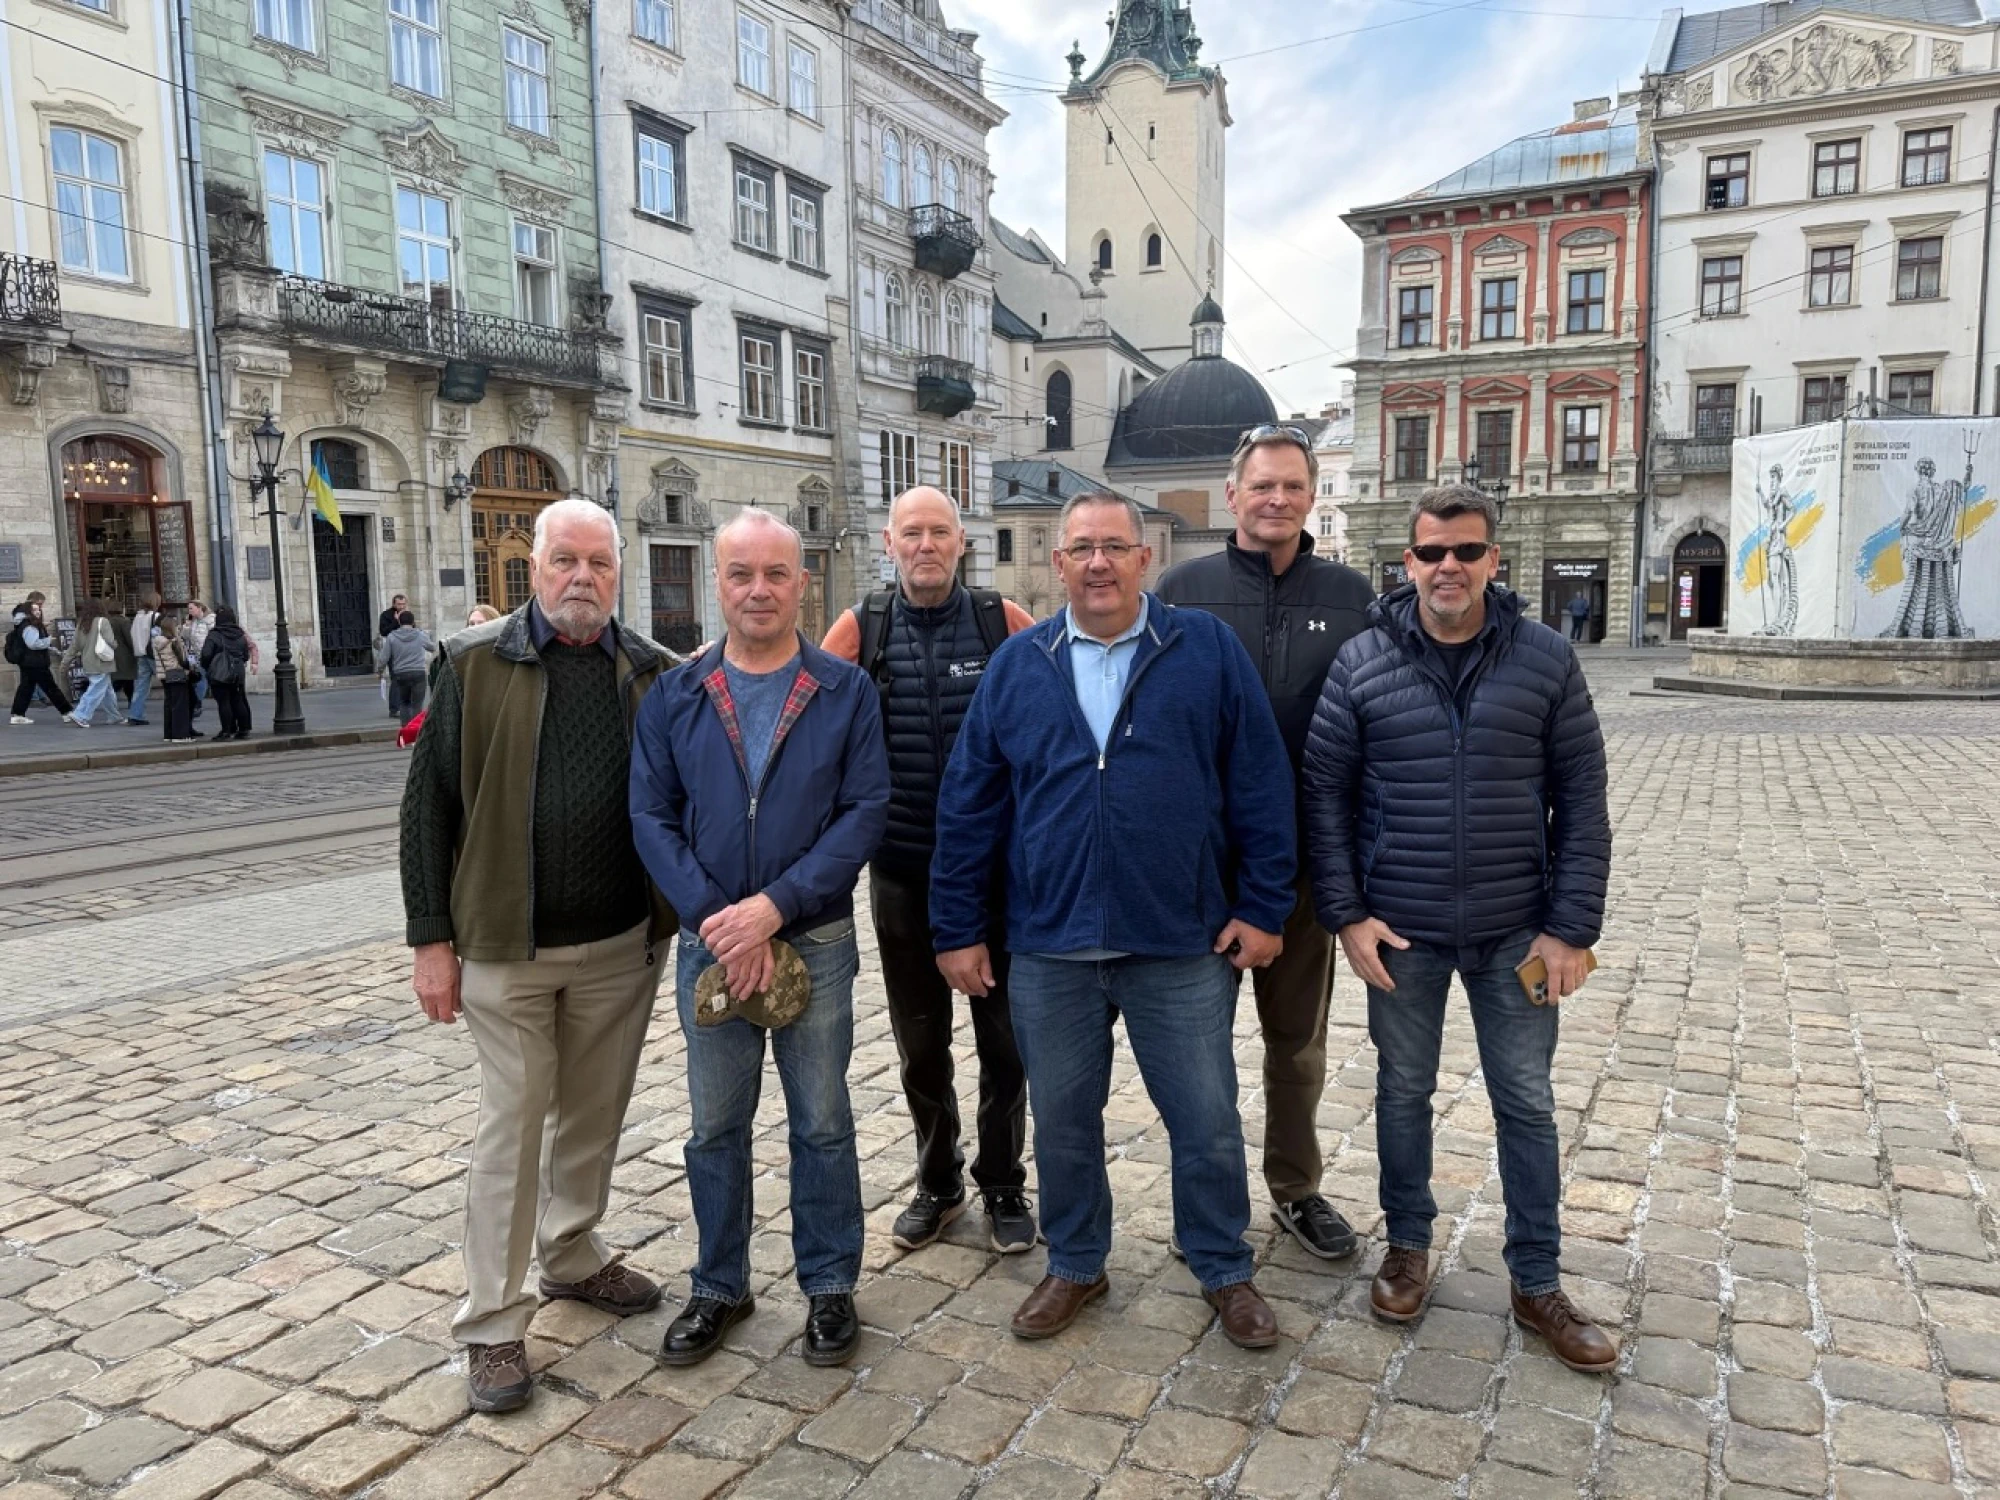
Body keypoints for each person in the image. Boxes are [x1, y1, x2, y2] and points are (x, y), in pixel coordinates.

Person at [931, 492, 1298, 1350]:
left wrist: (1263, 905)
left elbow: (1260, 780)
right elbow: (969, 803)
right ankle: (1076, 1262)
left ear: (1144, 559)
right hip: (1050, 939)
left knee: (1205, 1118)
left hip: (1179, 937)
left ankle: (1223, 1265)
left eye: (1114, 547)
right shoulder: (1019, 664)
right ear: (1058, 564)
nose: (1098, 563)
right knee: (1064, 1120)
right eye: (1081, 549)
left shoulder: (1203, 648)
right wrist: (957, 926)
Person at [1302, 484, 1616, 1372]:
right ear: (1408, 563)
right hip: (1402, 930)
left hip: (1517, 929)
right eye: (1433, 552)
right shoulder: (1362, 661)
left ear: (1493, 561)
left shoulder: (1546, 658)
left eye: (1467, 551)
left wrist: (1571, 928)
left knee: (1527, 1102)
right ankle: (1407, 1246)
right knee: (1404, 1092)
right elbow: (1323, 795)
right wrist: (1347, 915)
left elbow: (1582, 800)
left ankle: (1537, 1280)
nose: (1450, 567)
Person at [402, 498, 680, 1413]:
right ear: (534, 569)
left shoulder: (650, 672)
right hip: (504, 946)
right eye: (566, 560)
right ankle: (491, 1323)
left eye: (600, 563)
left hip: (620, 944)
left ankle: (571, 1252)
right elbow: (426, 810)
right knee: (513, 1126)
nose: (582, 578)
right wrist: (431, 941)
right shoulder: (473, 663)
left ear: (619, 574)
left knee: (595, 1114)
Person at [632, 511, 889, 1370]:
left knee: (822, 1121)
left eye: (776, 574)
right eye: (741, 574)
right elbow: (652, 817)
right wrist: (720, 919)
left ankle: (829, 1284)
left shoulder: (844, 690)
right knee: (715, 1127)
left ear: (802, 583)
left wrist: (774, 909)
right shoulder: (678, 693)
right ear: (718, 582)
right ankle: (719, 1285)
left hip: (813, 938)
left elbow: (864, 812)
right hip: (710, 946)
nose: (758, 590)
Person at [1156, 425, 1375, 1264]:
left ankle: (1296, 1186)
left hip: (1309, 864)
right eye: (1262, 486)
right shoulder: (1182, 590)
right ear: (1233, 495)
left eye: (1291, 486)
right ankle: (1207, 1206)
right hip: (1200, 868)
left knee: (1297, 1045)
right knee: (1195, 1055)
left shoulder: (1351, 596)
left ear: (1312, 495)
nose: (1276, 499)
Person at [820, 486, 1038, 1255]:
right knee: (921, 1043)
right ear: (890, 543)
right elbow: (809, 715)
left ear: (961, 541)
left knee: (1006, 1043)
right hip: (903, 873)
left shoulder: (1002, 621)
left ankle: (1003, 1180)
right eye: (910, 533)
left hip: (996, 878)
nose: (925, 546)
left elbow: (1054, 716)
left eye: (938, 532)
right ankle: (938, 1180)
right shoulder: (862, 626)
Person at [8, 600, 75, 724]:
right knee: (51, 688)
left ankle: (17, 714)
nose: (38, 612)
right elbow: (33, 644)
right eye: (34, 610)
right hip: (36, 663)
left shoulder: (25, 624)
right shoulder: (29, 626)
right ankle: (67, 712)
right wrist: (48, 640)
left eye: (38, 609)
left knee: (26, 688)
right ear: (28, 612)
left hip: (28, 662)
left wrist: (54, 649)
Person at [60, 600, 124, 727]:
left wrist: (65, 663)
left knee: (107, 691)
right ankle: (80, 715)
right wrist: (116, 645)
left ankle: (114, 716)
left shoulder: (81, 624)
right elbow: (110, 641)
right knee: (95, 690)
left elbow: (74, 646)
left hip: (88, 662)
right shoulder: (103, 621)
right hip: (102, 662)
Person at [200, 606, 257, 741]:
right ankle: (243, 730)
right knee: (238, 699)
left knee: (223, 701)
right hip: (238, 671)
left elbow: (206, 654)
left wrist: (208, 666)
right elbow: (245, 655)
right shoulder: (240, 634)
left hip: (220, 672)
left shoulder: (214, 634)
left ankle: (227, 730)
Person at [378, 610, 434, 727]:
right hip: (418, 672)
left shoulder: (392, 637)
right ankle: (416, 730)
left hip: (400, 673)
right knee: (417, 704)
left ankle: (405, 729)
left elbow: (384, 657)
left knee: (404, 703)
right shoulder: (420, 635)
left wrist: (380, 671)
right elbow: (432, 647)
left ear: (399, 621)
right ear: (413, 622)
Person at [151, 612, 199, 743]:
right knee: (180, 705)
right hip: (177, 674)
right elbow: (182, 660)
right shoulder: (173, 642)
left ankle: (169, 733)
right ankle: (180, 735)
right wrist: (191, 667)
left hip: (164, 674)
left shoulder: (157, 641)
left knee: (169, 704)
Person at [128, 591, 161, 725]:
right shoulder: (155, 616)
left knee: (140, 686)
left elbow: (132, 634)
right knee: (169, 681)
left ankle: (135, 714)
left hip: (140, 654)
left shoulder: (137, 617)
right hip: (153, 654)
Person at [181, 601, 213, 719]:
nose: (189, 611)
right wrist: (187, 625)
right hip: (195, 655)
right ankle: (196, 702)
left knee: (202, 678)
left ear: (200, 608)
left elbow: (213, 635)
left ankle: (197, 702)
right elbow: (185, 637)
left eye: (191, 608)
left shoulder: (210, 619)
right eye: (188, 609)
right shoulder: (193, 621)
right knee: (198, 678)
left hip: (207, 654)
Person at [105, 603, 138, 716]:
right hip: (125, 654)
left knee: (123, 679)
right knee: (125, 679)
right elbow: (129, 638)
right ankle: (130, 701)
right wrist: (135, 650)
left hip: (112, 653)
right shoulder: (124, 622)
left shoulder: (107, 621)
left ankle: (130, 700)